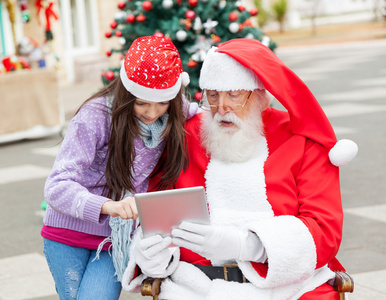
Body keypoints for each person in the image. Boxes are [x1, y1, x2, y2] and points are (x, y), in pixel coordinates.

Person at [121, 38, 358, 299]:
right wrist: (155, 255)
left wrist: (245, 245)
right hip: (196, 287)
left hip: (288, 288)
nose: (221, 108)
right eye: (212, 95)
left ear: (259, 94)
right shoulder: (185, 137)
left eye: (233, 94)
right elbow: (157, 212)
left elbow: (324, 230)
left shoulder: (301, 139)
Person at [42, 36, 197, 300]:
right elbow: (56, 186)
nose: (152, 112)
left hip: (115, 238)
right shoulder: (95, 116)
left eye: (162, 102)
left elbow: (203, 114)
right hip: (67, 234)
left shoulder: (173, 110)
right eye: (141, 103)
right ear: (127, 93)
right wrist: (109, 206)